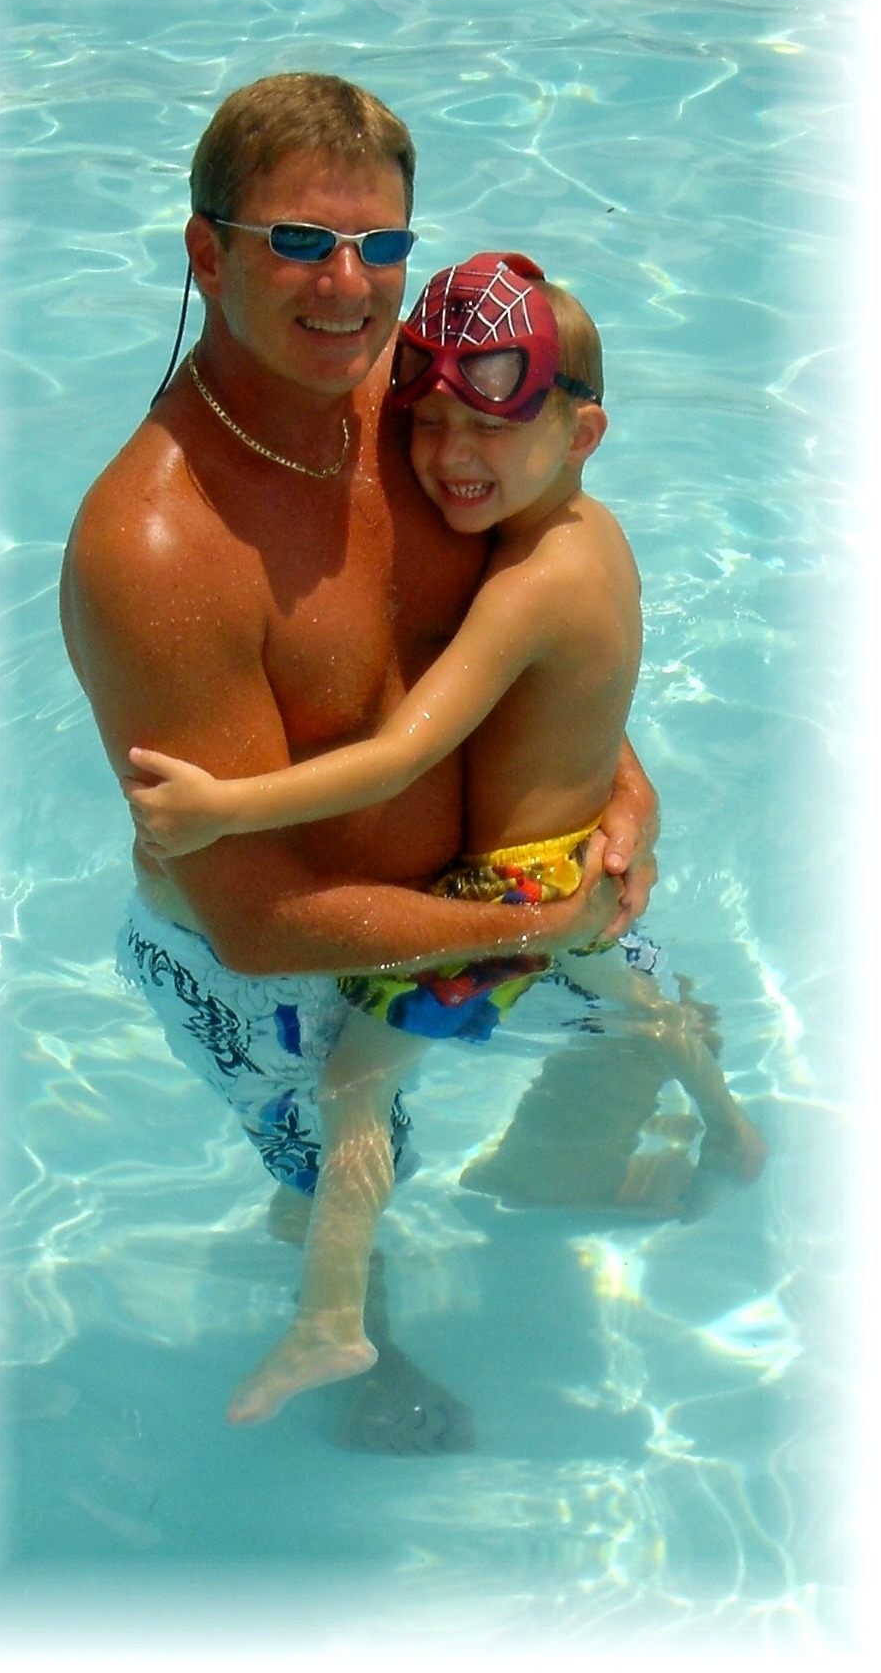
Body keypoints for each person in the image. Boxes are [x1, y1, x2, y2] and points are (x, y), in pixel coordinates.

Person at [59, 73, 659, 1447]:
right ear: (206, 254)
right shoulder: (162, 545)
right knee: (336, 1174)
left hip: (500, 881)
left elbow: (537, 616)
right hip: (277, 969)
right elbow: (258, 919)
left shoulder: (422, 409)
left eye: (379, 245)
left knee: (657, 1026)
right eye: (298, 243)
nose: (348, 286)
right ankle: (350, 1352)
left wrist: (618, 791)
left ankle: (551, 1183)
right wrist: (522, 925)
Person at [123, 252, 762, 1426]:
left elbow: (401, 755)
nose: (451, 457)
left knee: (354, 1084)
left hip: (508, 888)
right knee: (637, 995)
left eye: (489, 428)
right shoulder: (595, 537)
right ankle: (732, 1128)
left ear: (582, 433)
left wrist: (224, 809)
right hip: (576, 856)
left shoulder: (524, 586)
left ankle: (330, 1323)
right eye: (428, 424)